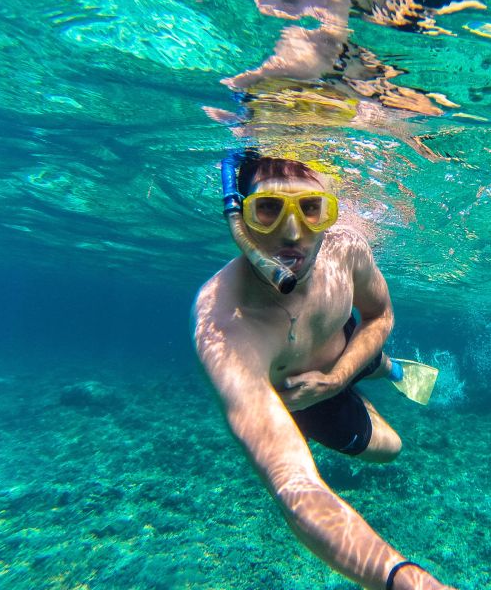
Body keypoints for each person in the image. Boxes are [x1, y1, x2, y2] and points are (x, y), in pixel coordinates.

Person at [192, 150, 454, 590]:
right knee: (390, 448)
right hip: (297, 398)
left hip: (340, 351)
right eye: (269, 209)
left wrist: (336, 377)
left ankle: (380, 368)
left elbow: (379, 317)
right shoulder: (224, 321)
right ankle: (362, 376)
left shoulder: (346, 250)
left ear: (330, 212)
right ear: (241, 216)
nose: (292, 232)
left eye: (311, 208)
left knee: (365, 356)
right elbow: (292, 484)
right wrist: (402, 581)